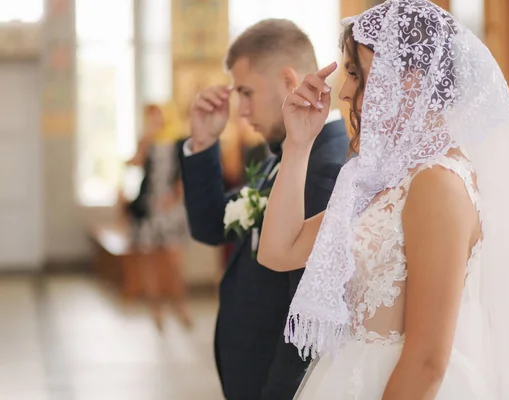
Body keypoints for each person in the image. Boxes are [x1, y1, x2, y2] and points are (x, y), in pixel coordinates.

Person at [257, 1, 509, 399]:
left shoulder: (438, 183)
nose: (344, 92)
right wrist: (298, 144)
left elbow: (428, 362)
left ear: (408, 79)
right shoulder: (386, 179)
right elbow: (279, 250)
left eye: (355, 73)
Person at [178, 19, 349, 399]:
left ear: (288, 80)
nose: (241, 111)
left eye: (246, 92)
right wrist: (204, 142)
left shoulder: (327, 169)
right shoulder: (280, 159)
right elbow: (211, 226)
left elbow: (307, 316)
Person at [121, 103, 191, 331]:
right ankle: (156, 310)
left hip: (171, 209)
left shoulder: (178, 141)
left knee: (174, 261)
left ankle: (180, 306)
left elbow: (184, 175)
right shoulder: (147, 142)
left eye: (157, 116)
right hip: (149, 208)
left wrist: (172, 198)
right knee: (149, 260)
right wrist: (146, 137)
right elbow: (135, 163)